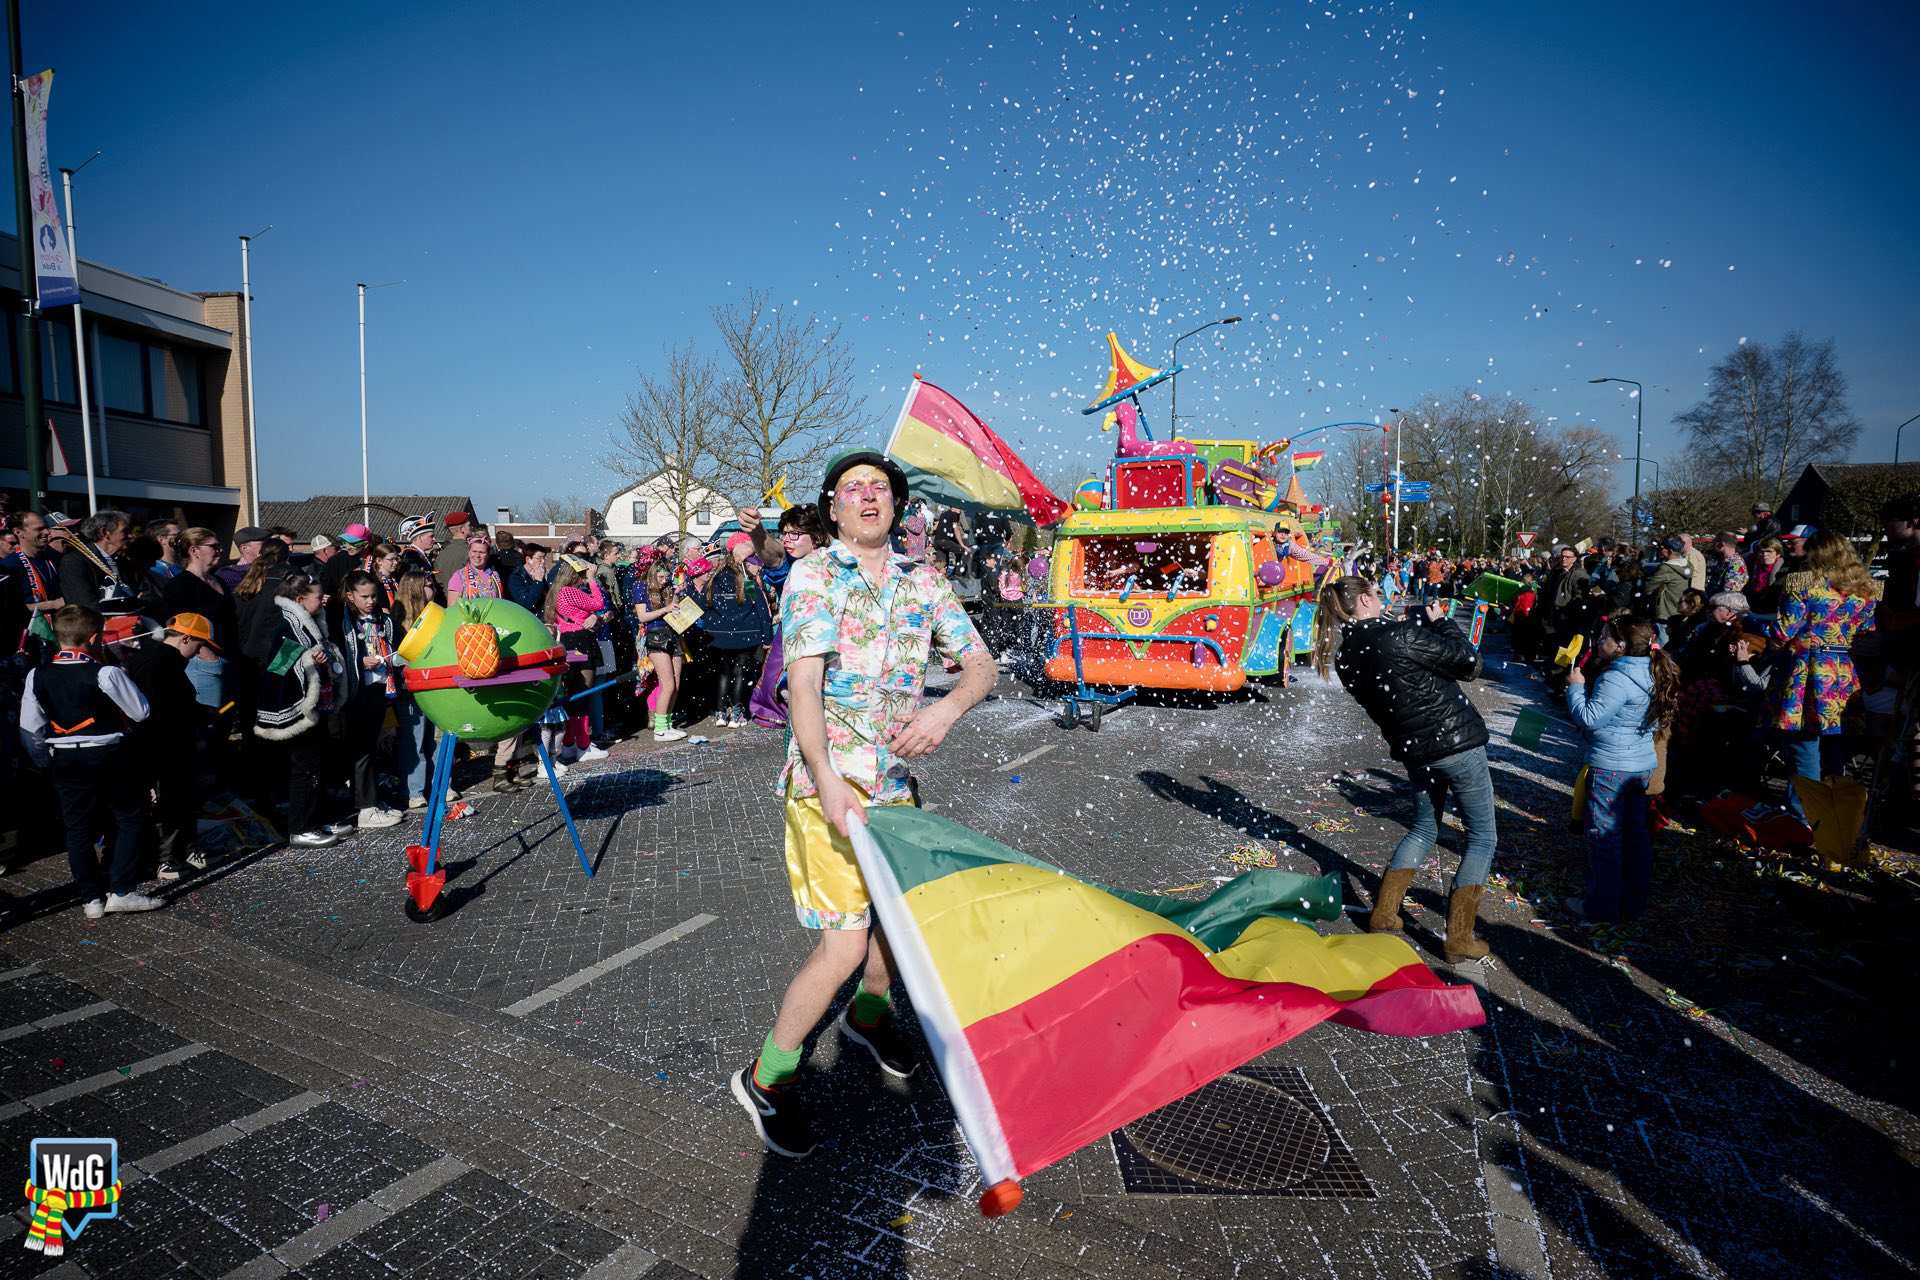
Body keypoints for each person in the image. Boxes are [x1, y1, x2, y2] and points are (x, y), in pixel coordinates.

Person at [731, 452, 996, 1158]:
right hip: (827, 785)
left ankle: (869, 1018)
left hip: (894, 790)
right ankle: (767, 1077)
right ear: (834, 508)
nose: (869, 497)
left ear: (898, 505)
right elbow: (804, 691)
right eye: (854, 490)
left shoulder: (925, 581)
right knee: (845, 943)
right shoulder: (815, 576)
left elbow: (981, 665)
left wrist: (948, 712)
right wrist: (829, 779)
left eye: (881, 488)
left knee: (895, 930)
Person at [1313, 575, 1495, 963]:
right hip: (1457, 745)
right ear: (1363, 600)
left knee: (1424, 828)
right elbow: (1469, 664)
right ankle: (1459, 938)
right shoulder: (1399, 635)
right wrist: (1442, 623)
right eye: (1376, 595)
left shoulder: (1346, 656)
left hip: (1415, 751)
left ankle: (1384, 913)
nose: (1382, 599)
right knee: (1481, 838)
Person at [17, 605, 164, 916]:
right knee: (129, 817)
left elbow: (30, 727)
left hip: (65, 757)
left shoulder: (37, 674)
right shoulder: (104, 672)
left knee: (77, 827)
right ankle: (121, 889)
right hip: (107, 752)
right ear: (95, 637)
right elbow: (141, 712)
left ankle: (90, 898)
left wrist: (44, 759)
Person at [1565, 619, 1678, 922]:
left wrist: (1576, 689)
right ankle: (1632, 901)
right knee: (1634, 835)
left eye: (1604, 638)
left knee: (1604, 837)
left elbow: (1590, 719)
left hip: (1612, 766)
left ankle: (1601, 906)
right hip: (1639, 765)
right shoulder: (1652, 671)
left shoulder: (1616, 678)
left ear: (1622, 645)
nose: (1599, 642)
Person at [1769, 531, 1877, 823]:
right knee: (1835, 748)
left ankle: (1804, 818)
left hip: (1809, 669)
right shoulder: (1864, 591)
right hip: (1845, 671)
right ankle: (1835, 817)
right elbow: (1869, 633)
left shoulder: (1804, 584)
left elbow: (1783, 631)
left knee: (1804, 744)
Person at [250, 572, 346, 847]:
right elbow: (278, 669)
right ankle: (300, 827)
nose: (324, 599)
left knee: (318, 767)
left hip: (316, 708)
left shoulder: (311, 624)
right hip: (298, 711)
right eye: (319, 596)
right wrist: (307, 659)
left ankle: (315, 820)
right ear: (301, 599)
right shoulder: (289, 629)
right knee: (304, 770)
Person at [121, 612, 218, 880]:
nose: (200, 651)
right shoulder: (163, 662)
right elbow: (162, 706)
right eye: (198, 645)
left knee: (176, 798)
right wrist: (199, 714)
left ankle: (180, 850)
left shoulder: (153, 657)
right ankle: (166, 859)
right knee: (172, 799)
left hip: (161, 740)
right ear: (185, 637)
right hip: (163, 743)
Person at [333, 571, 404, 828]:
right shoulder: (343, 621)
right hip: (355, 692)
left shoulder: (383, 620)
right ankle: (366, 807)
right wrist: (359, 661)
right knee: (361, 750)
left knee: (370, 749)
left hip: (379, 688)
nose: (370, 601)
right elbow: (336, 652)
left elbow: (399, 646)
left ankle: (370, 799)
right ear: (350, 596)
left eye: (374, 595)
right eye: (364, 597)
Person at [749, 506, 828, 728]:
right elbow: (774, 557)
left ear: (818, 536)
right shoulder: (792, 566)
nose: (786, 540)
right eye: (784, 533)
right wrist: (757, 532)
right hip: (795, 645)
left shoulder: (838, 565)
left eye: (794, 534)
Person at [390, 571, 455, 811]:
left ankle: (441, 785)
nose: (433, 590)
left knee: (438, 738)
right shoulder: (397, 621)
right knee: (414, 740)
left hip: (437, 684)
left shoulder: (438, 615)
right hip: (411, 687)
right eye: (428, 586)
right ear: (415, 589)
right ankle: (414, 790)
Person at [698, 533, 773, 728]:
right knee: (740, 673)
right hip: (745, 634)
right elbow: (761, 609)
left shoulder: (714, 579)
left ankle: (721, 712)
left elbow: (703, 605)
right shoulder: (746, 581)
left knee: (723, 673)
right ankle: (737, 713)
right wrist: (767, 636)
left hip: (719, 636)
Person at [546, 555, 609, 762]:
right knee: (584, 692)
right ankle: (583, 745)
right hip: (581, 641)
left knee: (573, 693)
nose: (583, 578)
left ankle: (570, 743)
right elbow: (599, 602)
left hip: (567, 640)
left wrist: (593, 618)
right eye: (581, 574)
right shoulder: (570, 591)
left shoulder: (555, 593)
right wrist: (592, 578)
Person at [632, 559, 687, 742]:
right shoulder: (641, 586)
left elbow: (675, 610)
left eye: (666, 576)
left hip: (672, 633)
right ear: (652, 575)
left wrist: (677, 594)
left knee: (676, 685)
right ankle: (660, 729)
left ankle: (668, 724)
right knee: (667, 684)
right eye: (660, 577)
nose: (664, 580)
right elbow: (642, 616)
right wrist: (666, 609)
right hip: (656, 636)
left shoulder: (668, 586)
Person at [58, 509, 138, 612]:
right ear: (105, 533)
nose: (131, 536)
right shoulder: (76, 562)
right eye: (125, 531)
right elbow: (84, 605)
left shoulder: (122, 561)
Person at [1644, 536, 1692, 624]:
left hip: (1666, 612)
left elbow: (1649, 588)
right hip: (1681, 609)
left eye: (1663, 548)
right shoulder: (1688, 565)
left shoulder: (1666, 568)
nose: (1660, 550)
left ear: (1670, 551)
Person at [446, 532, 504, 600]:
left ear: (488, 555)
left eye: (482, 552)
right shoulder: (459, 576)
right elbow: (452, 608)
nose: (477, 555)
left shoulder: (495, 575)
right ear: (469, 552)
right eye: (474, 551)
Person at [217, 526, 269, 591]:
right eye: (263, 544)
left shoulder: (273, 567)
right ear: (245, 548)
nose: (269, 546)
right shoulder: (229, 575)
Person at [1745, 537, 1787, 616]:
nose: (1765, 554)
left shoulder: (1784, 569)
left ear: (1778, 554)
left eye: (1769, 551)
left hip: (1773, 611)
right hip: (1754, 607)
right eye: (1762, 552)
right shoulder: (1753, 567)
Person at [507, 542, 551, 614]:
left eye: (544, 558)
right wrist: (538, 582)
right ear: (528, 559)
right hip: (525, 619)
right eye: (539, 558)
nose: (543, 562)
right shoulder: (515, 578)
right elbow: (527, 603)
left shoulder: (538, 574)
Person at [1706, 533, 1749, 597]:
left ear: (1722, 544)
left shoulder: (1736, 564)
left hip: (1725, 604)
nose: (1713, 545)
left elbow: (1729, 591)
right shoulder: (1722, 561)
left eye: (1714, 542)